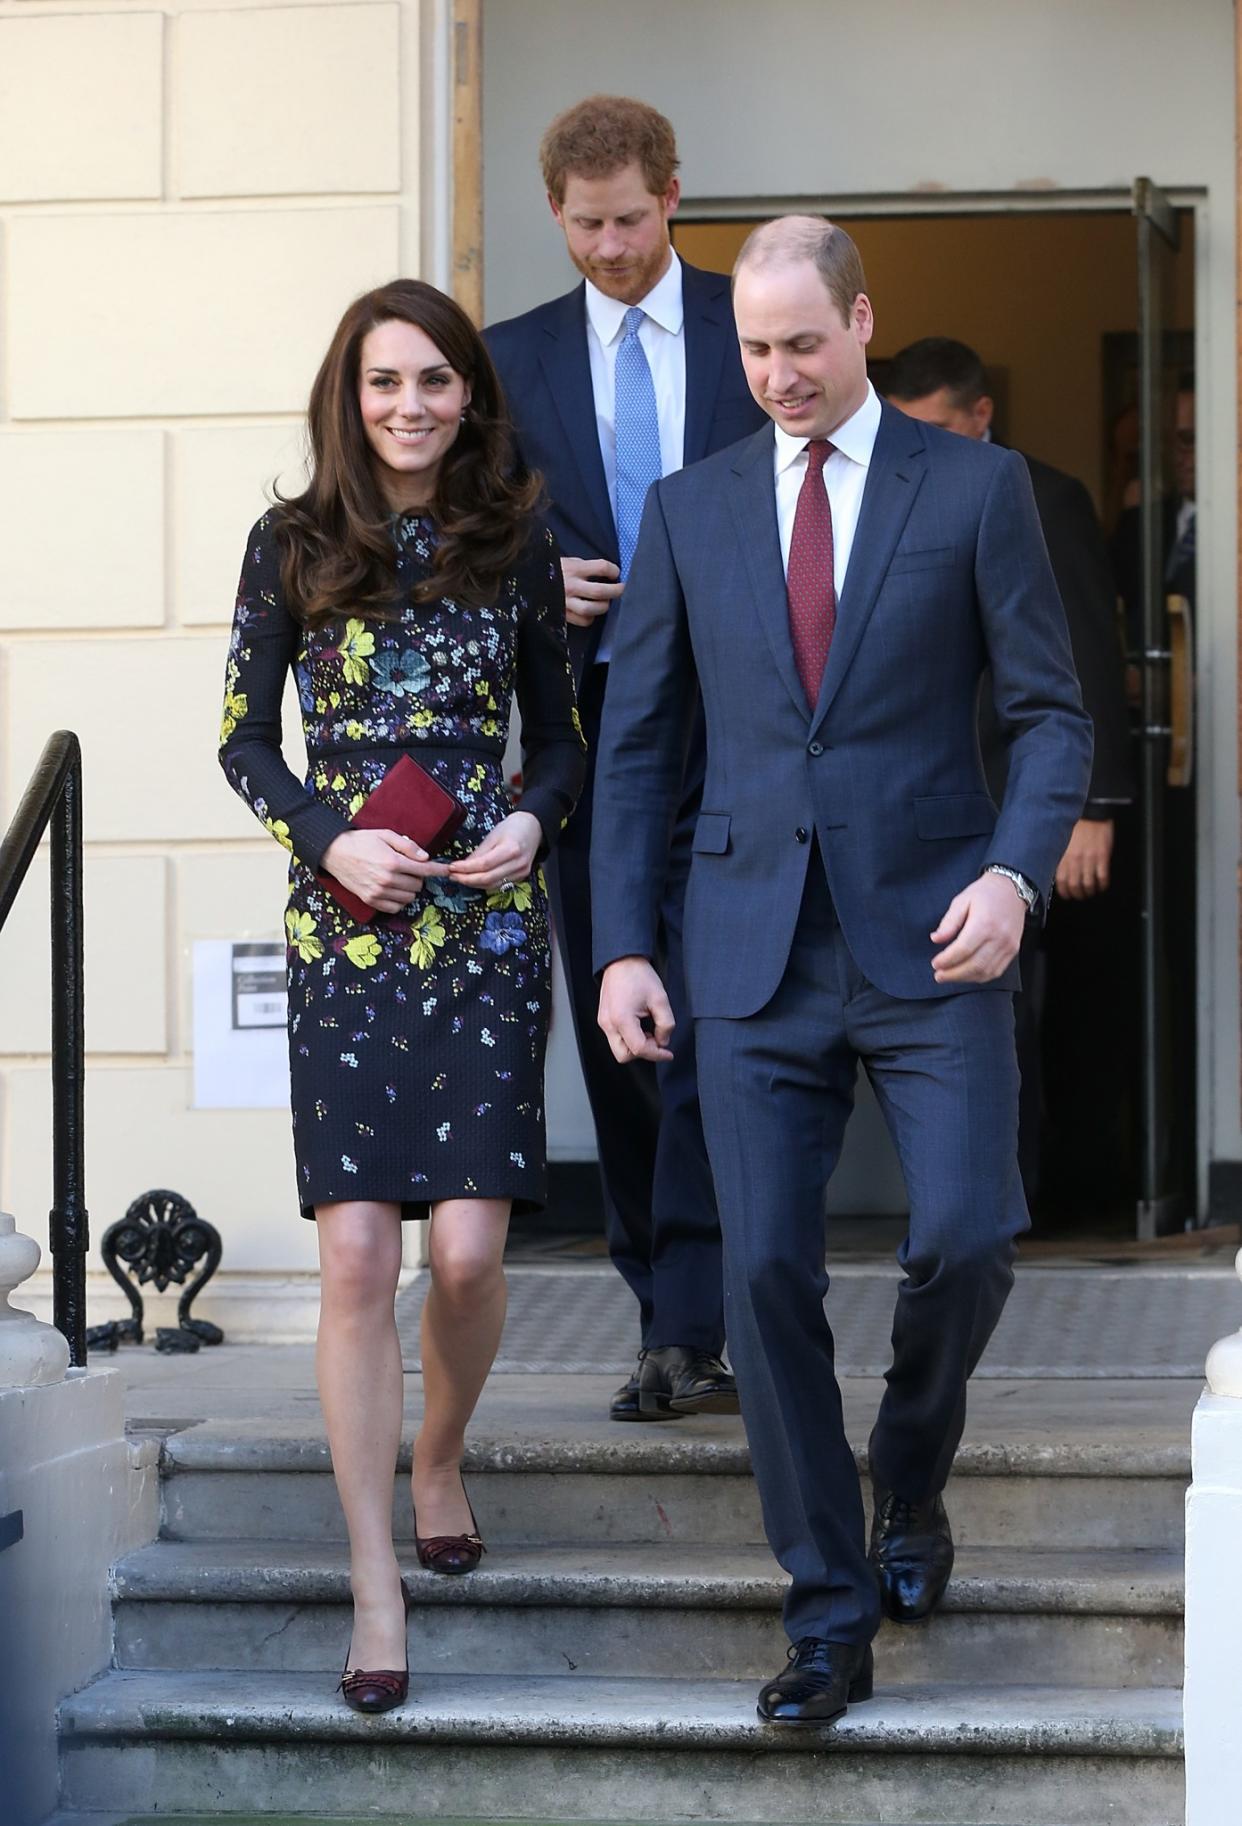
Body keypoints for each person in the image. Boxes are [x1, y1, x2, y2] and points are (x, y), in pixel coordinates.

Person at [592, 218, 1092, 1725]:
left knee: (963, 1235)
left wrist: (1012, 872)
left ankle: (911, 1478)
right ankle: (823, 1611)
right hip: (745, 948)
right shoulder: (687, 512)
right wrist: (623, 940)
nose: (778, 375)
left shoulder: (978, 489)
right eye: (751, 350)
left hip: (937, 928)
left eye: (801, 343)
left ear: (861, 321)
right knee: (757, 1277)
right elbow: (639, 754)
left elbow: (1052, 715)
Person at [218, 278, 584, 1713]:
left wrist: (532, 822)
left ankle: (440, 1450)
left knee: (475, 1254)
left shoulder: (517, 536)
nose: (410, 406)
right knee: (359, 1256)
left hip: (484, 924)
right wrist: (328, 835)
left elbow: (558, 739)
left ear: (468, 395)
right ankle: (377, 1579)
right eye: (384, 383)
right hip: (349, 928)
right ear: (348, 396)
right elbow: (244, 742)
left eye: (434, 380)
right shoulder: (291, 542)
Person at [486, 95, 766, 1423]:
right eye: (583, 225)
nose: (606, 246)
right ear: (555, 213)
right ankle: (670, 1313)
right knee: (625, 1035)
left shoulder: (747, 329)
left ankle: (713, 1311)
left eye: (630, 219)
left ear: (673, 194)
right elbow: (474, 540)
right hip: (592, 737)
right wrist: (544, 576)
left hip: (752, 726)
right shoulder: (504, 360)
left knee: (728, 1024)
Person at [884, 337, 1133, 1205]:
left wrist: (1092, 808)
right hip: (939, 794)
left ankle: (1022, 1199)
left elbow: (1086, 658)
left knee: (1029, 1006)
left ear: (981, 416)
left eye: (940, 427)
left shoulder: (1044, 494)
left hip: (1027, 789)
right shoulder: (884, 487)